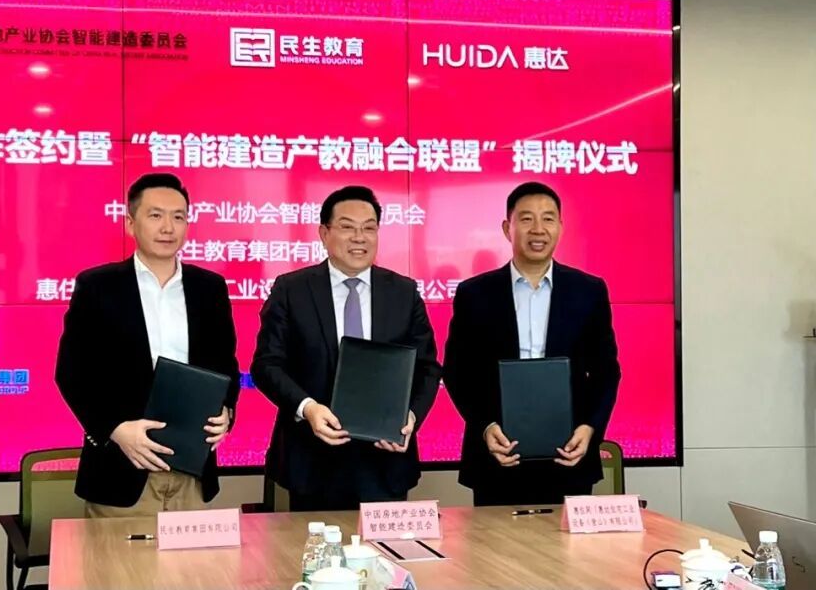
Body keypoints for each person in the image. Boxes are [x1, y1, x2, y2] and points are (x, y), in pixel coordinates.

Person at [55, 173, 240, 516]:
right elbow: (71, 373)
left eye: (178, 217)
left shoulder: (209, 288)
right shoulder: (98, 286)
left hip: (192, 470)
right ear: (130, 223)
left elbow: (224, 365)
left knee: (196, 555)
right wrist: (115, 430)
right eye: (156, 215)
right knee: (116, 555)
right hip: (121, 469)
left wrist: (227, 411)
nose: (168, 227)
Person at [251, 185, 441, 511]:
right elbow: (267, 365)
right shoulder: (292, 290)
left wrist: (410, 417)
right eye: (347, 227)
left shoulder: (403, 292)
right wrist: (308, 408)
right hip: (312, 461)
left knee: (387, 546)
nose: (359, 237)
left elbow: (427, 367)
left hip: (385, 461)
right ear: (324, 233)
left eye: (369, 228)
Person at [443, 181, 621, 506]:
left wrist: (590, 428)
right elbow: (458, 372)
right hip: (497, 455)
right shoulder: (475, 293)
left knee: (567, 541)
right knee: (495, 541)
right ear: (507, 228)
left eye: (548, 219)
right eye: (526, 219)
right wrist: (485, 426)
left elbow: (606, 371)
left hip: (569, 454)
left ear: (560, 227)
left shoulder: (589, 291)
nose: (538, 229)